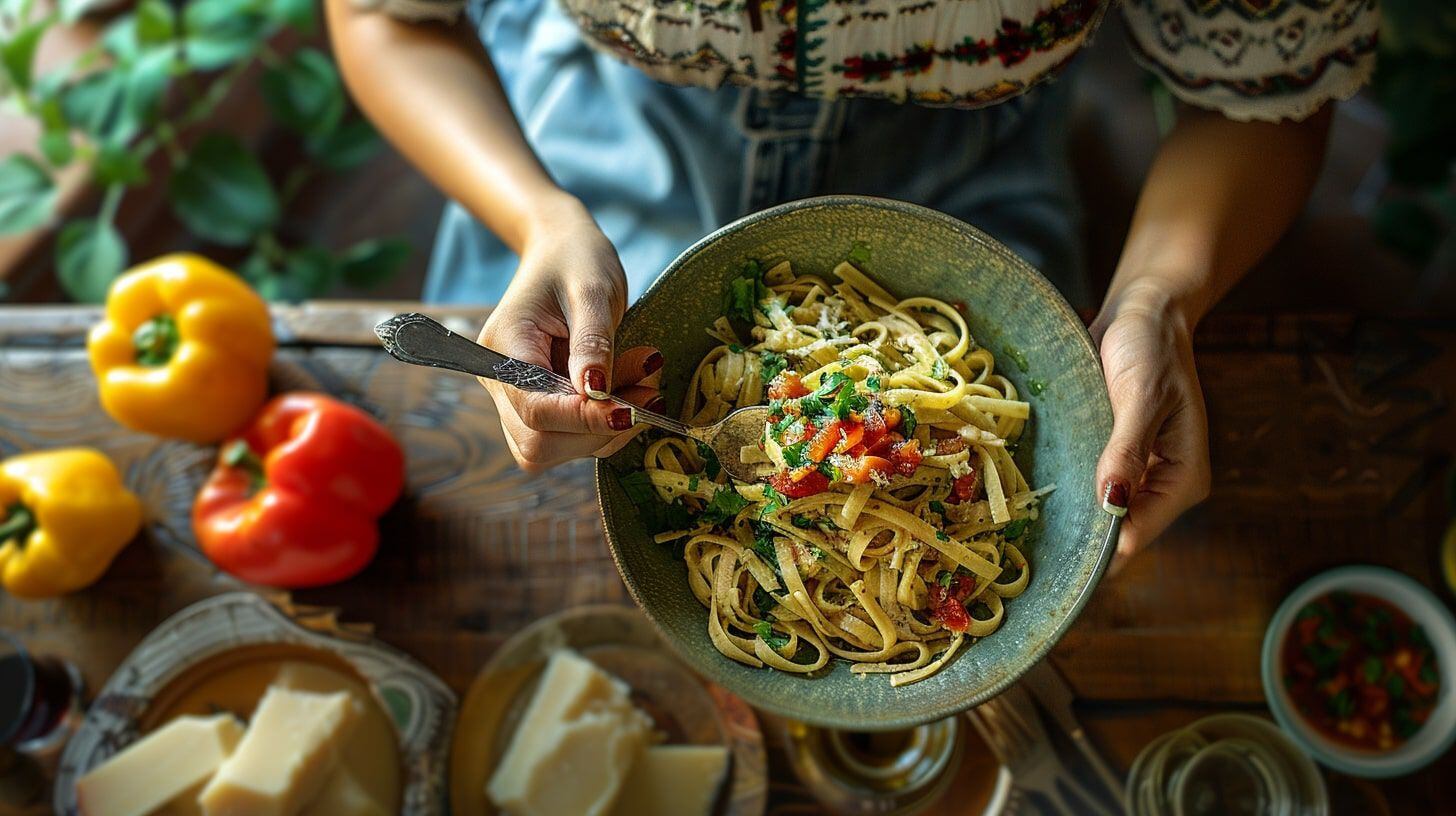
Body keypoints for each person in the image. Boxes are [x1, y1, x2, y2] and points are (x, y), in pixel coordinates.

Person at [325, 0, 1378, 571]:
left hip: (964, 164)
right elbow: (388, 16)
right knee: (532, 492)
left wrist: (1157, 296)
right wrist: (535, 215)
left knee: (1050, 482)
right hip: (598, 144)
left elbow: (1262, 90)